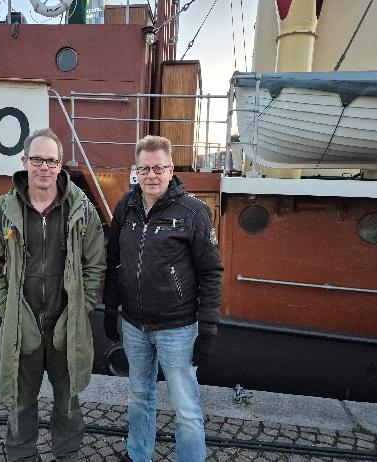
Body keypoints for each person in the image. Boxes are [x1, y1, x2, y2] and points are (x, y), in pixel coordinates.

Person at [0, 128, 106, 462]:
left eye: (51, 160)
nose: (44, 167)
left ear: (60, 165)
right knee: (20, 404)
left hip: (67, 327)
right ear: (24, 162)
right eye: (37, 160)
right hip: (23, 328)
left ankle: (68, 456)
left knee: (68, 404)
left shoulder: (82, 210)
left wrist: (82, 306)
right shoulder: (3, 210)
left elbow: (95, 264)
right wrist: (7, 308)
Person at [103, 135, 223, 462]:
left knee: (185, 407)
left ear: (171, 170)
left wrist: (208, 328)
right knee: (139, 396)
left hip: (178, 328)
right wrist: (110, 308)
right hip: (134, 325)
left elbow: (211, 272)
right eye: (144, 169)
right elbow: (114, 261)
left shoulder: (193, 212)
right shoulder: (126, 207)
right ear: (136, 171)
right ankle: (138, 455)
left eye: (158, 168)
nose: (151, 175)